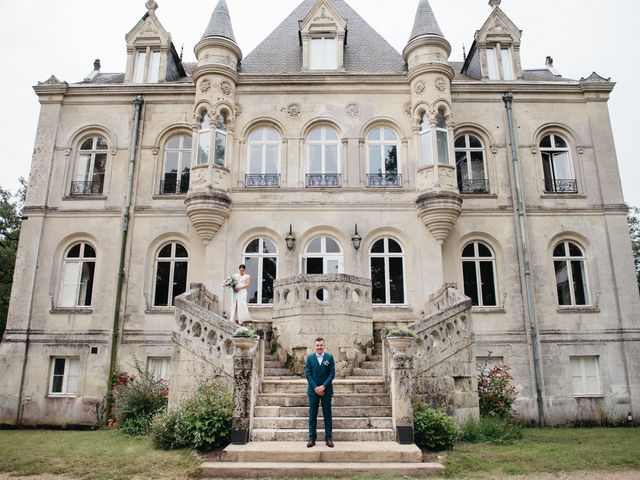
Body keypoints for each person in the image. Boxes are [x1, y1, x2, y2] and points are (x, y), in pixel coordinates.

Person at [305, 337, 335, 448]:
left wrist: (324, 386)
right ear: (315, 346)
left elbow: (332, 373)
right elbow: (308, 374)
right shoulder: (310, 358)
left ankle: (329, 438)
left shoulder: (329, 357)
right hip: (313, 391)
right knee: (312, 415)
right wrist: (316, 388)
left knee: (327, 415)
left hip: (326, 391)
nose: (319, 347)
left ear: (324, 345)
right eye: (317, 345)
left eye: (321, 345)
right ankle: (312, 438)